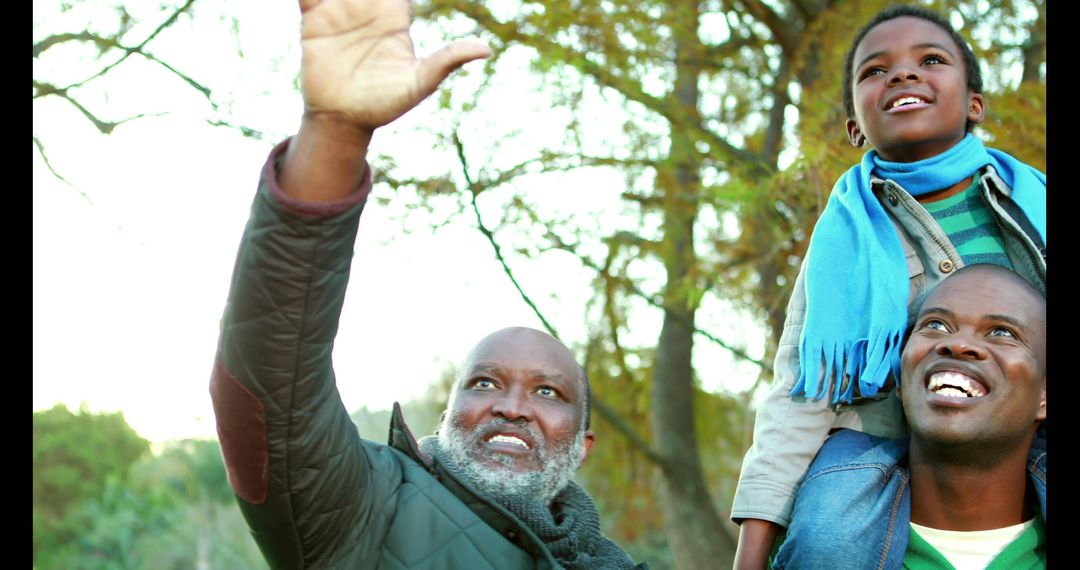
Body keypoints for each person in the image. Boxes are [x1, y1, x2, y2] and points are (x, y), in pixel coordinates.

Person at [207, 0, 644, 568]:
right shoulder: (364, 507)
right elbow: (271, 383)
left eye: (547, 393)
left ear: (582, 445)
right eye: (484, 384)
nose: (511, 407)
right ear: (448, 414)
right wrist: (335, 130)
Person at [730, 5, 1046, 568]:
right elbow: (799, 393)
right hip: (875, 442)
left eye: (930, 60)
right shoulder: (840, 246)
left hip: (1026, 430)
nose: (902, 74)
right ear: (856, 127)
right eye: (875, 71)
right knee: (828, 538)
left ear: (974, 103)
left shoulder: (1037, 204)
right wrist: (753, 545)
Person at [773, 264, 1046, 568]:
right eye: (937, 325)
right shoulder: (805, 547)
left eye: (1001, 332)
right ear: (902, 378)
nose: (956, 344)